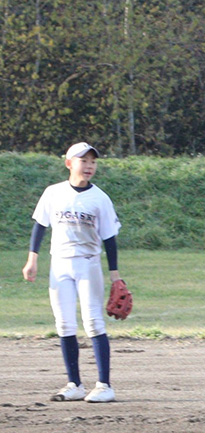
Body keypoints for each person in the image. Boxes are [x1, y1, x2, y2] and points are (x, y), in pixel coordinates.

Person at [22, 142, 123, 403]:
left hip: (88, 263)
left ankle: (104, 385)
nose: (89, 166)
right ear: (69, 163)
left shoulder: (100, 198)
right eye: (83, 160)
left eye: (92, 161)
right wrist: (32, 260)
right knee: (64, 324)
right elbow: (40, 226)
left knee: (93, 322)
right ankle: (75, 384)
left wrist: (115, 276)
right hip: (60, 265)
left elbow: (109, 238)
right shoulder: (53, 193)